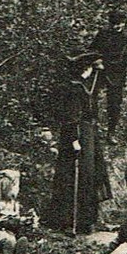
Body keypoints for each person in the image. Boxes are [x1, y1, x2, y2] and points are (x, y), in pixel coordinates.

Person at [47, 54, 111, 234]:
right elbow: (71, 118)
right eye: (91, 68)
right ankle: (68, 220)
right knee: (74, 177)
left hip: (89, 136)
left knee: (89, 176)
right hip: (78, 137)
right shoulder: (75, 89)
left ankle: (86, 219)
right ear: (86, 69)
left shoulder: (84, 86)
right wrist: (74, 140)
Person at [91, 9, 127, 139]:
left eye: (119, 23)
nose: (116, 26)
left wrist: (108, 65)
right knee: (92, 98)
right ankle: (93, 128)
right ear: (110, 23)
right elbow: (92, 49)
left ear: (124, 24)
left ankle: (111, 132)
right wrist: (96, 60)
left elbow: (124, 59)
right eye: (114, 24)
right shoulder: (102, 34)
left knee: (114, 103)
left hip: (116, 73)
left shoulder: (126, 39)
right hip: (100, 71)